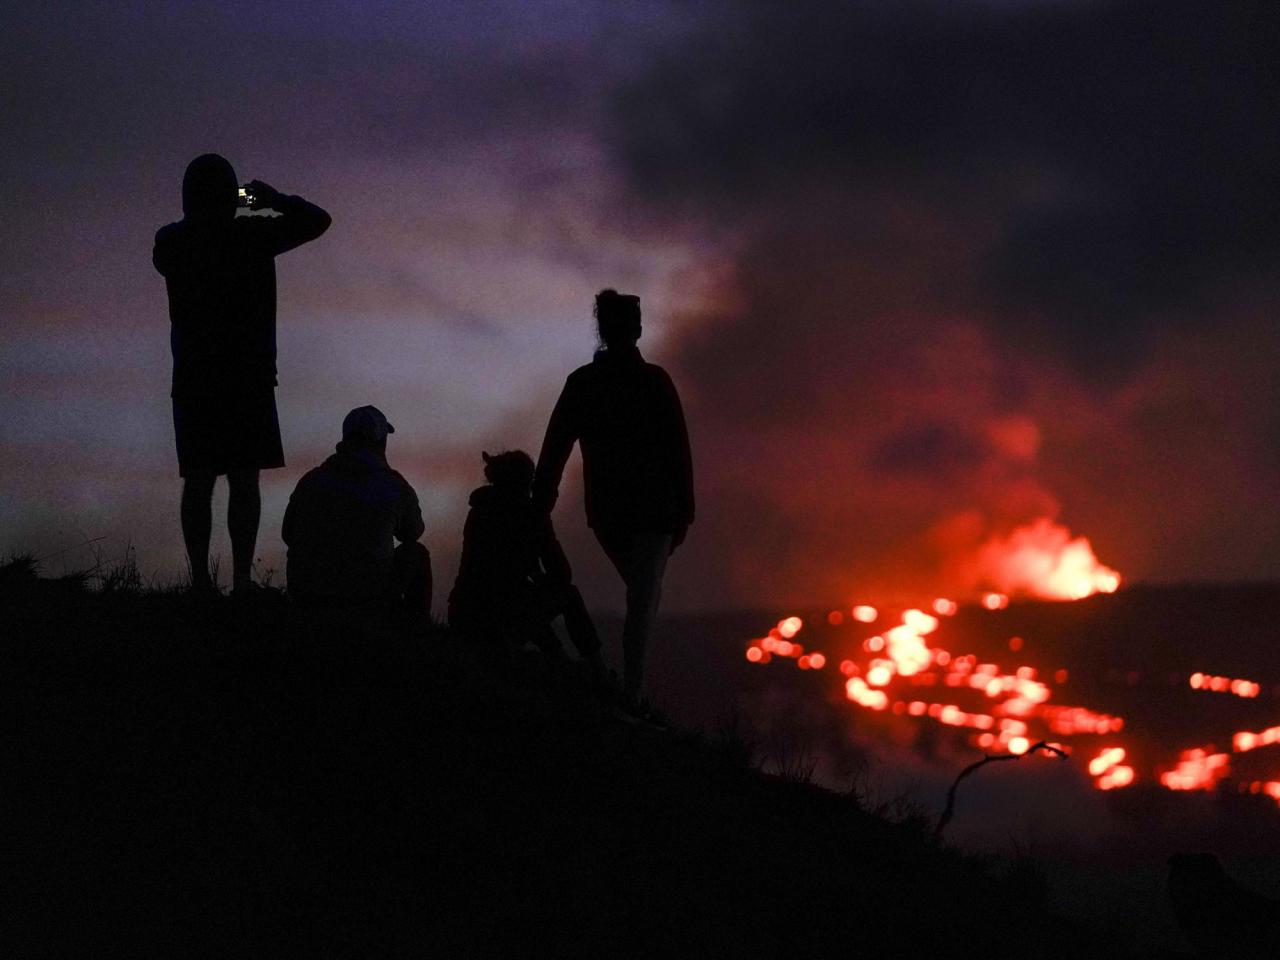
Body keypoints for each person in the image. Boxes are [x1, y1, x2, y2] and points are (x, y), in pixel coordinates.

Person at [153, 153, 331, 595]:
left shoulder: (174, 241)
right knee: (242, 479)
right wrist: (260, 197)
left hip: (196, 379)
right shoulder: (251, 235)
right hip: (247, 378)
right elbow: (316, 219)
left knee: (199, 480)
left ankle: (201, 582)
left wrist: (237, 204)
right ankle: (238, 580)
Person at [533, 290, 694, 709]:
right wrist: (685, 512)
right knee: (643, 596)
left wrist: (540, 501)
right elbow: (678, 449)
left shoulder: (584, 383)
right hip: (651, 511)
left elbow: (554, 448)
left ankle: (629, 692)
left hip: (612, 513)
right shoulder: (652, 381)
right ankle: (632, 696)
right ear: (635, 330)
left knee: (641, 595)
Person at [449, 451, 604, 673]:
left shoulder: (478, 511)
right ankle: (596, 667)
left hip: (463, 615)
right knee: (567, 594)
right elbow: (562, 574)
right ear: (525, 481)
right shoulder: (531, 513)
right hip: (498, 621)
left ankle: (558, 657)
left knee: (525, 595)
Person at [282, 406, 431, 612]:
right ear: (380, 441)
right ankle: (415, 634)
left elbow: (288, 534)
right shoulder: (393, 485)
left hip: (307, 595)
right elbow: (413, 531)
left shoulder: (312, 479)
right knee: (415, 553)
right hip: (365, 598)